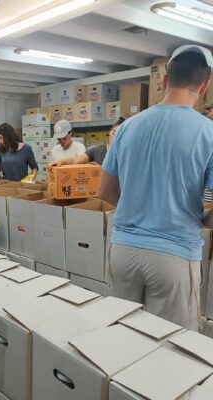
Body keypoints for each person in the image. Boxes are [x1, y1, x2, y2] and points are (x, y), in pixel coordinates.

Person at [99, 45, 213, 331]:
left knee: (122, 333)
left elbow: (105, 191)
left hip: (123, 250)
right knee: (171, 347)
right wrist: (202, 219)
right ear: (205, 86)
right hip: (174, 254)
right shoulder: (208, 133)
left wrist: (137, 208)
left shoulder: (127, 127)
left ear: (164, 80)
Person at [47, 116, 126, 169]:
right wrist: (61, 161)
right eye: (114, 132)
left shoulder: (125, 156)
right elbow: (75, 161)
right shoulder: (96, 151)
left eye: (120, 134)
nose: (116, 137)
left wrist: (99, 169)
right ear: (109, 132)